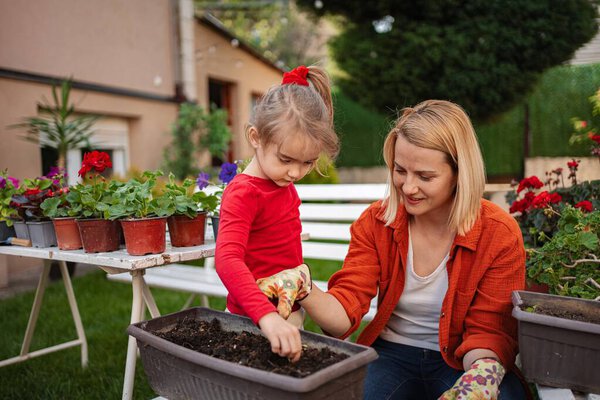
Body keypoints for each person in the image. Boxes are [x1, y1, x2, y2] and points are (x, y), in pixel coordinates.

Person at [296, 100, 528, 399]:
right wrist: (304, 288)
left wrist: (479, 380)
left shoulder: (498, 233)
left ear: (459, 173)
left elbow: (490, 329)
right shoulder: (376, 224)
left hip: (463, 358)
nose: (407, 187)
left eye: (425, 176)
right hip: (391, 356)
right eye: (400, 170)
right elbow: (346, 308)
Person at [215, 65, 339, 363]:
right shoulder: (244, 192)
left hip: (288, 314)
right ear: (255, 137)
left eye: (307, 162)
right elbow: (227, 260)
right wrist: (266, 317)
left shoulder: (283, 185)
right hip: (251, 323)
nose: (296, 172)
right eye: (286, 159)